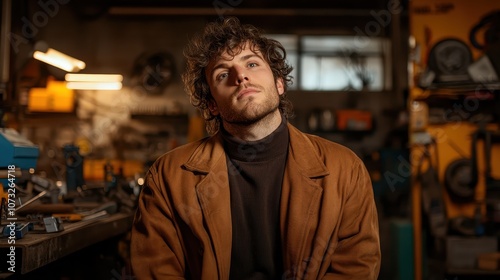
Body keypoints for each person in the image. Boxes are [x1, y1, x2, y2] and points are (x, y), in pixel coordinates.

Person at [130, 16, 381, 280]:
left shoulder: (345, 169)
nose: (241, 76)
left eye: (252, 63)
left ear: (279, 84)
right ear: (212, 104)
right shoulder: (168, 176)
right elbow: (155, 270)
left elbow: (355, 268)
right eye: (223, 74)